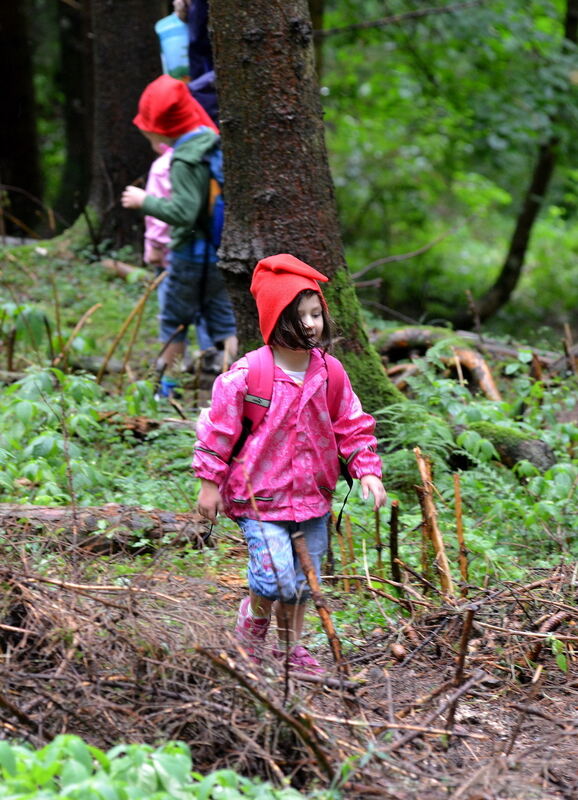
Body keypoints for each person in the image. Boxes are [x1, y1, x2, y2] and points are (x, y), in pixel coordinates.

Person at [194, 253, 387, 673]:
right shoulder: (248, 376)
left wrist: (366, 469)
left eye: (316, 313)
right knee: (275, 577)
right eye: (300, 316)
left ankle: (289, 650)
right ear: (276, 318)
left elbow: (351, 424)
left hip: (313, 499)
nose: (311, 324)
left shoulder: (330, 373)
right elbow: (219, 430)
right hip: (259, 498)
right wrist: (209, 483)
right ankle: (253, 619)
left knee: (301, 583)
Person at [121, 75, 237, 383]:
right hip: (218, 252)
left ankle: (165, 390)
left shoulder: (183, 161)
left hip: (189, 256)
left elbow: (184, 213)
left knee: (174, 323)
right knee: (225, 323)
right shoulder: (209, 141)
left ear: (159, 129)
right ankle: (237, 391)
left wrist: (144, 201)